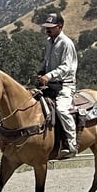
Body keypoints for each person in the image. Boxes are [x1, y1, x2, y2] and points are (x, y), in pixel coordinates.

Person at [37, 12, 78, 159]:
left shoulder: (66, 43)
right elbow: (46, 61)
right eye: (47, 27)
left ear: (60, 27)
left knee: (61, 109)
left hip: (65, 84)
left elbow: (66, 67)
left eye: (51, 27)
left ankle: (71, 144)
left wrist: (49, 76)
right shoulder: (48, 42)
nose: (47, 29)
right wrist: (41, 71)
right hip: (50, 84)